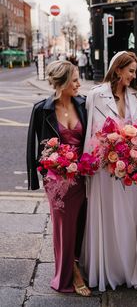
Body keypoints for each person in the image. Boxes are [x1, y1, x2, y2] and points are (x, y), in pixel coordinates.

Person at [79, 51, 137, 291]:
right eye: (131, 71)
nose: (134, 76)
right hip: (105, 171)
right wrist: (91, 166)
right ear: (118, 70)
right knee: (109, 218)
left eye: (136, 72)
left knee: (132, 218)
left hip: (132, 172)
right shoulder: (95, 96)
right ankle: (110, 268)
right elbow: (90, 135)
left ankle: (131, 268)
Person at [26, 60, 91, 296]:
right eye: (74, 80)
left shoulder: (84, 105)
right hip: (57, 180)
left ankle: (77, 262)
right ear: (62, 83)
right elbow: (34, 146)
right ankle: (69, 273)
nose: (79, 83)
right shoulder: (41, 109)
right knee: (63, 227)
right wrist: (38, 177)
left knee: (82, 224)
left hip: (83, 176)